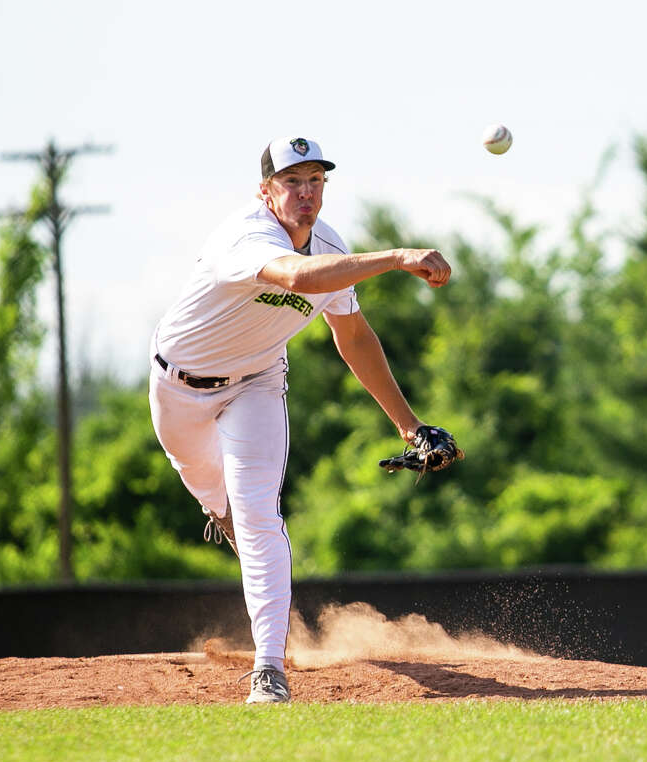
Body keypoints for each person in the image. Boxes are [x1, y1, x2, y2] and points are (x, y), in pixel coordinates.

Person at [148, 136, 454, 704]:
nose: (306, 192)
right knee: (219, 496)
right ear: (266, 191)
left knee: (260, 510)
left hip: (258, 383)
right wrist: (398, 257)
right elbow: (300, 279)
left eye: (316, 180)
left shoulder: (330, 245)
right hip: (179, 387)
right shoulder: (244, 237)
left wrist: (409, 426)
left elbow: (354, 335)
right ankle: (225, 515)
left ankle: (269, 669)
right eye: (292, 180)